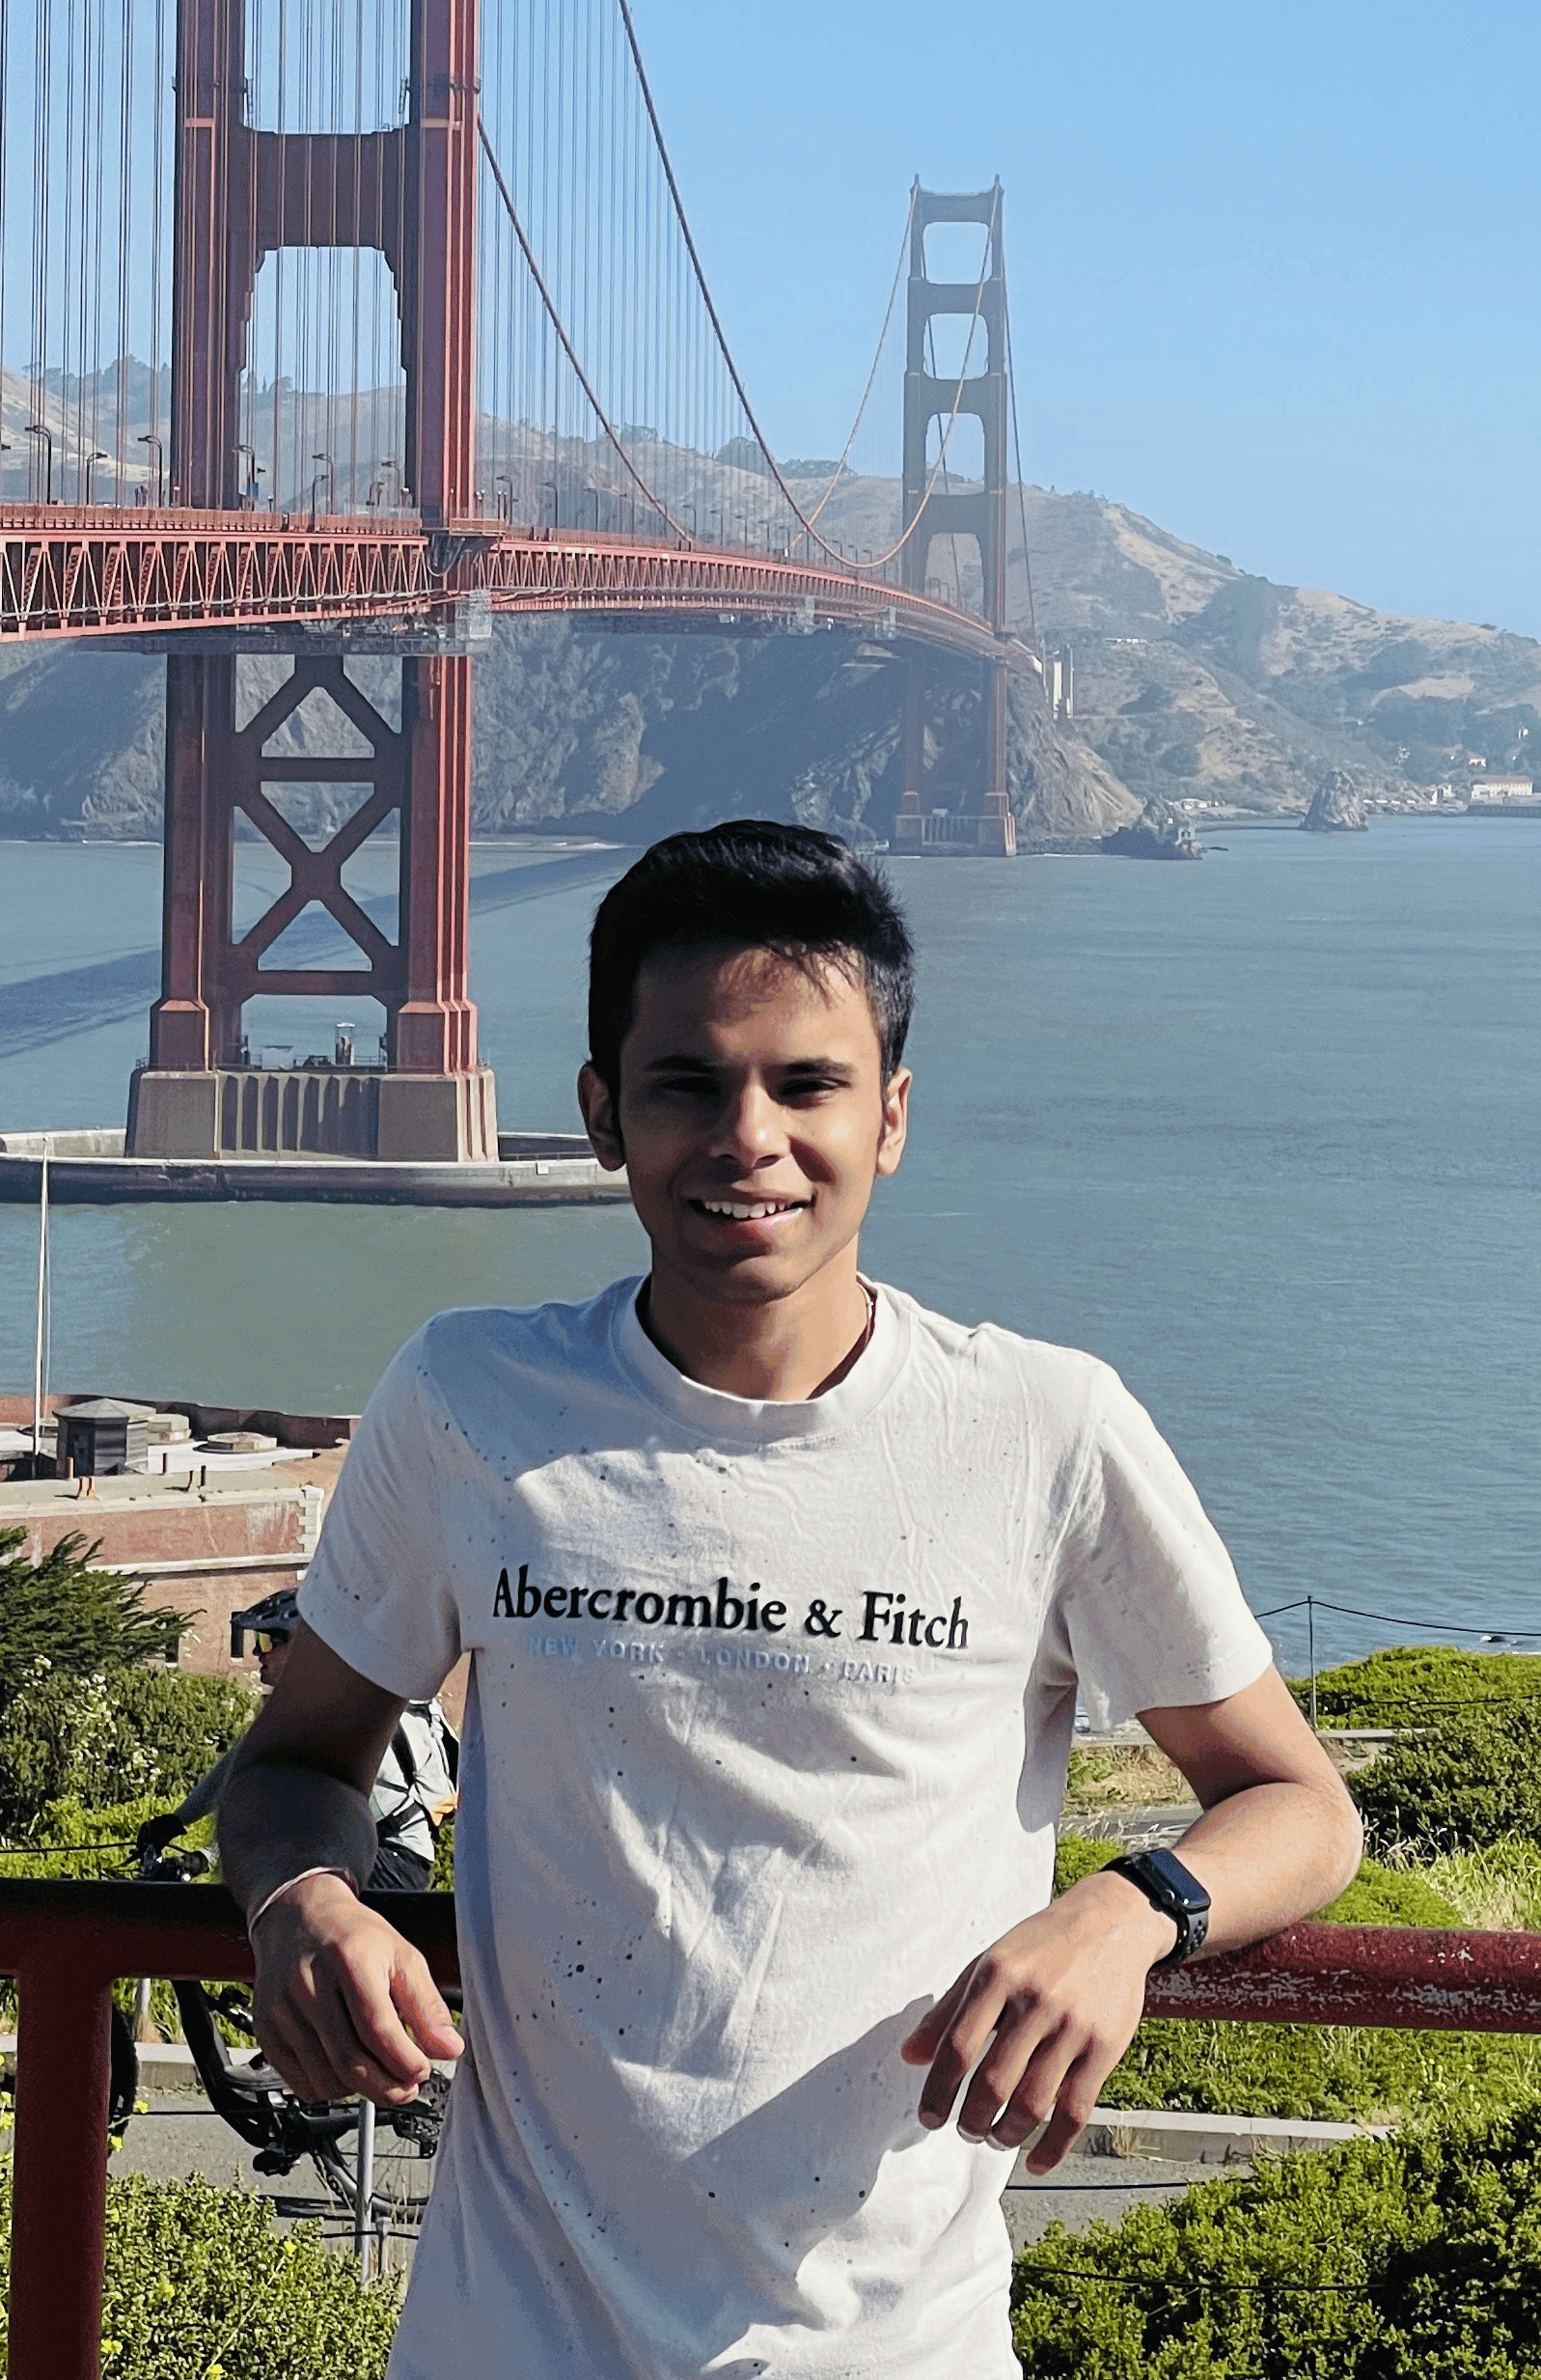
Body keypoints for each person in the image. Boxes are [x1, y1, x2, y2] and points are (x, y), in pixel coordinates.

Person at [219, 820, 1359, 2380]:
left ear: (889, 1117)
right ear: (601, 1113)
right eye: (686, 1081)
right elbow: (295, 1763)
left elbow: (1298, 1802)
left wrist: (1124, 1912)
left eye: (804, 1084)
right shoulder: (466, 1399)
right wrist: (304, 1901)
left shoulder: (1043, 1425)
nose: (745, 1134)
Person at [230, 1582, 462, 1885]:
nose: (257, 1653)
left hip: (393, 1857)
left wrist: (219, 1849)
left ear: (302, 1645)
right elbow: (239, 1766)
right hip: (361, 1848)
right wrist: (178, 1820)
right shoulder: (308, 1704)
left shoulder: (343, 1708)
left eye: (267, 1641)